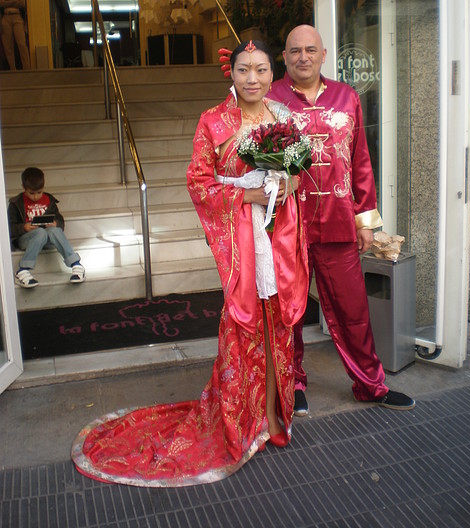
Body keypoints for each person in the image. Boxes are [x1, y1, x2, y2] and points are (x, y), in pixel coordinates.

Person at [70, 40, 309, 487]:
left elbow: (299, 170)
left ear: (273, 74)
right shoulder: (212, 121)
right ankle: (240, 421)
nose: (252, 78)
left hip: (279, 236)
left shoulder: (284, 118)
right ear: (231, 74)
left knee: (277, 324)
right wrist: (247, 195)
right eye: (243, 70)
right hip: (240, 235)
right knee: (242, 328)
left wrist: (288, 184)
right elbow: (198, 181)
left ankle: (276, 417)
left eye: (260, 69)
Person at [267, 25, 415, 414]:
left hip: (338, 223)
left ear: (323, 54)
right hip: (287, 227)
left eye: (310, 49)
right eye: (295, 50)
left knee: (353, 311)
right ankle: (293, 385)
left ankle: (370, 384)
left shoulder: (346, 97)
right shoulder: (270, 99)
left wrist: (366, 222)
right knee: (290, 314)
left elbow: (361, 160)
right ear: (284, 57)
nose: (303, 57)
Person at [8, 167, 85, 287]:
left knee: (54, 230)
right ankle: (23, 269)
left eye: (39, 192)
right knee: (40, 233)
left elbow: (59, 219)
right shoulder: (16, 203)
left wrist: (56, 224)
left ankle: (76, 264)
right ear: (24, 188)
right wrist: (24, 227)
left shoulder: (49, 200)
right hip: (26, 239)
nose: (35, 197)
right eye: (31, 193)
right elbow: (9, 227)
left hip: (47, 239)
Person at [0, 0, 30, 70]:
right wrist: (14, 1)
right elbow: (1, 4)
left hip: (17, 17)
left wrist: (7, 2)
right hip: (5, 18)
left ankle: (27, 67)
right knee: (8, 46)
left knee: (21, 43)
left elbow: (22, 3)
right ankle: (13, 69)